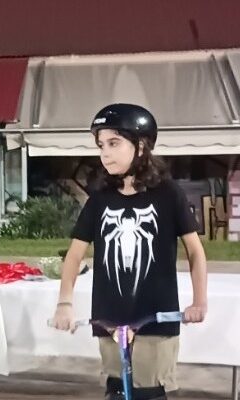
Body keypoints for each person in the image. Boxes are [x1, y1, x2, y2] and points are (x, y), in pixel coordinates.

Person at [51, 104, 208, 400]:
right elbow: (74, 255)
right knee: (117, 390)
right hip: (109, 318)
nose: (105, 153)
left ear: (141, 146)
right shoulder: (100, 199)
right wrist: (64, 303)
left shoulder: (168, 194)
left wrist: (199, 301)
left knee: (149, 391)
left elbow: (195, 252)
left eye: (114, 143)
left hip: (155, 317)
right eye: (101, 145)